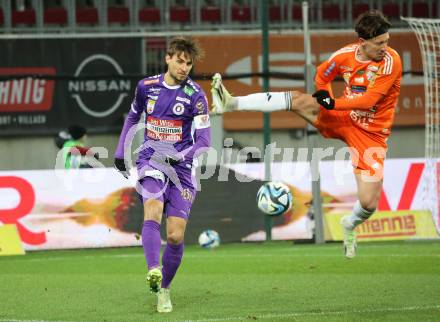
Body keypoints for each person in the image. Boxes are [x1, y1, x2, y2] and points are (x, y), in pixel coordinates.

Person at [211, 10, 401, 259]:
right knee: (300, 100)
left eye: (386, 41)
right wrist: (323, 93)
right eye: (379, 43)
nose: (385, 47)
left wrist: (331, 103)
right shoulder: (345, 56)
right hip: (344, 118)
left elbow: (368, 101)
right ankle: (231, 103)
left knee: (368, 203)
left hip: (371, 135)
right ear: (362, 41)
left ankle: (349, 224)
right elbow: (323, 74)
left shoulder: (391, 61)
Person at [114, 37, 211, 313]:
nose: (184, 67)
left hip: (181, 167)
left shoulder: (197, 96)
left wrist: (180, 157)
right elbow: (133, 118)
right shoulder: (146, 87)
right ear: (168, 58)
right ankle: (153, 268)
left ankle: (164, 290)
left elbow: (204, 141)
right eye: (180, 61)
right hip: (151, 159)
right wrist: (121, 151)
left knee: (176, 236)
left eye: (189, 63)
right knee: (152, 209)